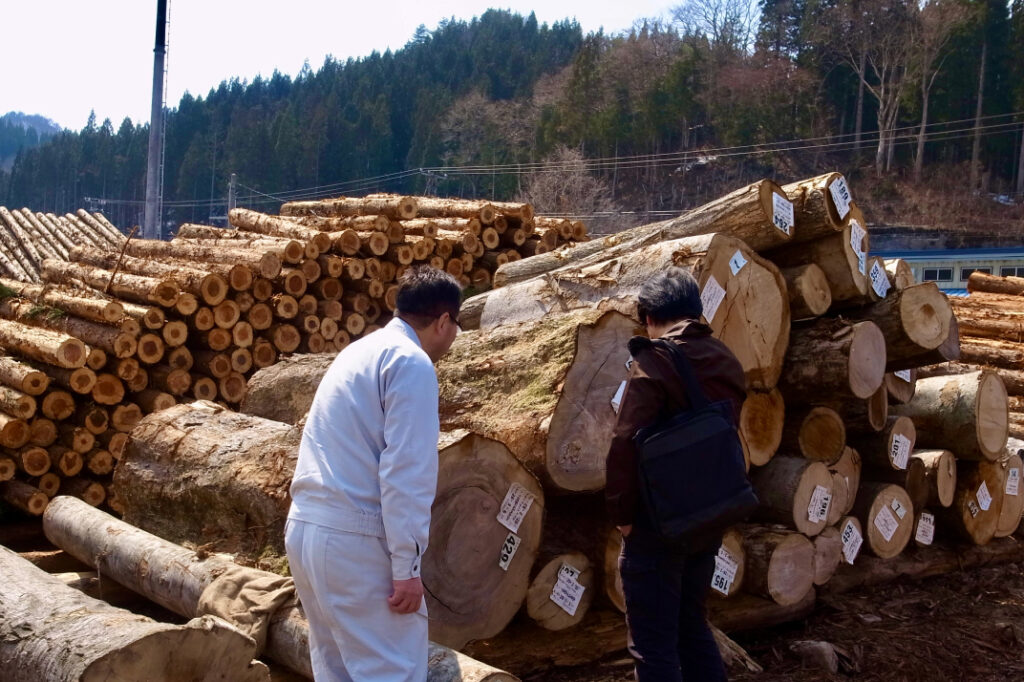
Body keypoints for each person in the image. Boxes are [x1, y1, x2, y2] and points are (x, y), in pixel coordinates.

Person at [285, 266, 462, 682]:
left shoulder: (359, 351)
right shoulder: (412, 363)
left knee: (336, 672)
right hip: (357, 543)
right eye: (456, 325)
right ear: (443, 321)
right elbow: (406, 473)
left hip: (308, 529)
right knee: (391, 672)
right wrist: (407, 567)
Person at [605, 266, 746, 682]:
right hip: (709, 512)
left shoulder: (655, 360)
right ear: (696, 311)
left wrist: (623, 516)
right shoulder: (725, 358)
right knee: (692, 626)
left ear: (649, 317)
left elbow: (625, 442)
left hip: (657, 522)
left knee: (653, 645)